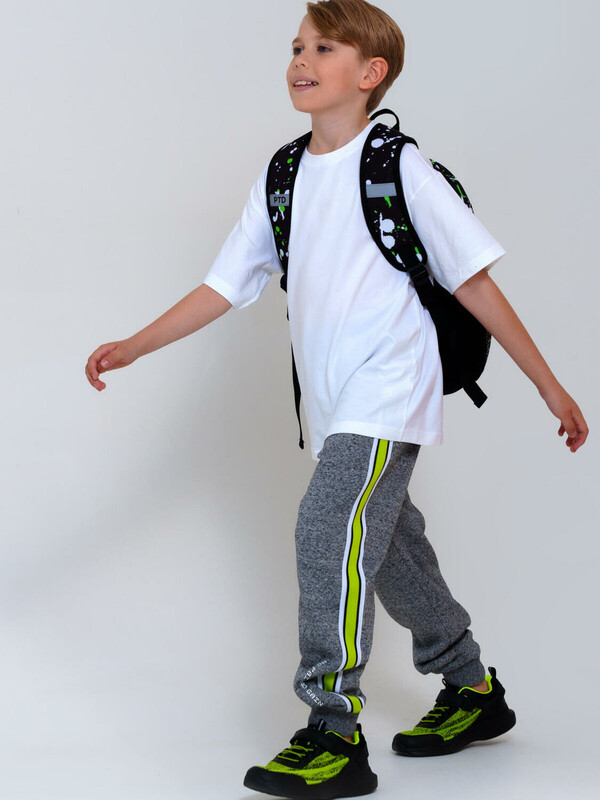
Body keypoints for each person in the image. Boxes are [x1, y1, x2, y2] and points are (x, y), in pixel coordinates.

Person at [85, 1, 589, 797]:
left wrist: (548, 384)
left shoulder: (401, 167)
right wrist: (135, 344)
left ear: (370, 72)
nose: (301, 59)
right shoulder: (284, 174)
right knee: (389, 551)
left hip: (388, 393)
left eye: (324, 47)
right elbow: (225, 285)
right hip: (330, 404)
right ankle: (472, 688)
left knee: (326, 530)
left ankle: (333, 727)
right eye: (296, 46)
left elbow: (473, 282)